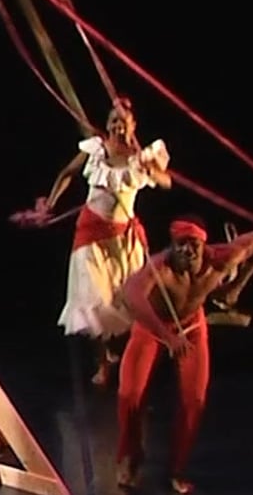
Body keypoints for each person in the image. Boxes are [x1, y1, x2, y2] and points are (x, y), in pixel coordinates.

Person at [101, 220, 253, 493]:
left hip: (191, 327)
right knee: (129, 395)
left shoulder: (222, 258)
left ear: (204, 245)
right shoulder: (160, 267)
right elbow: (132, 295)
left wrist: (237, 286)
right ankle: (132, 456)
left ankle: (177, 468)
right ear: (172, 245)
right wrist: (167, 337)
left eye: (194, 245)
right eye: (181, 245)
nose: (187, 251)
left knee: (195, 400)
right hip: (153, 327)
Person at [23, 98, 172, 386]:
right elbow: (67, 173)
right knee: (94, 300)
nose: (118, 126)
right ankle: (102, 362)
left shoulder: (141, 157)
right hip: (91, 236)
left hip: (123, 239)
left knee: (130, 299)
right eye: (114, 121)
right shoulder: (96, 150)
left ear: (133, 125)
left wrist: (152, 170)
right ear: (107, 124)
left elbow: (167, 182)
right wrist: (49, 205)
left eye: (123, 122)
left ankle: (131, 359)